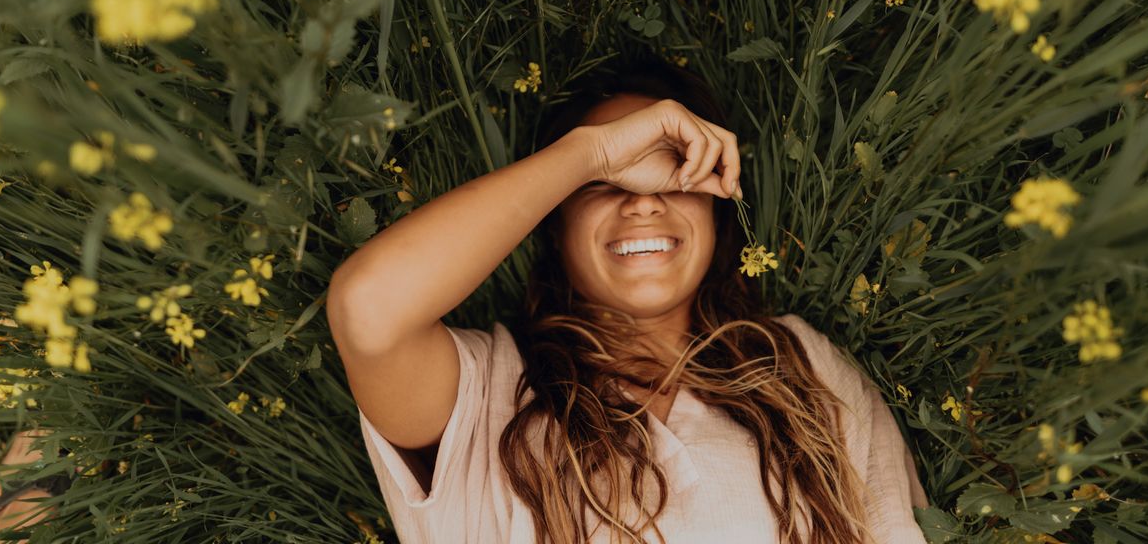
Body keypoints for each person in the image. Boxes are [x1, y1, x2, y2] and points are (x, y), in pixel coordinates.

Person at [326, 51, 929, 544]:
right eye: (604, 183)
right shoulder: (485, 391)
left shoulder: (798, 362)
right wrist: (586, 152)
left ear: (717, 207)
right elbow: (368, 308)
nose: (643, 199)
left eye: (673, 168)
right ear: (551, 223)